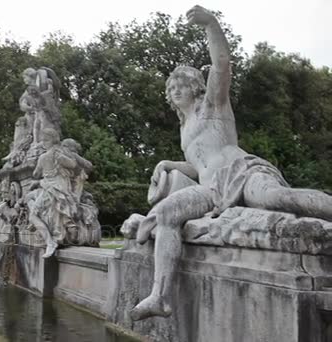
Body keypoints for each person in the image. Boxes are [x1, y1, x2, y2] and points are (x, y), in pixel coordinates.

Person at [129, 5, 332, 321]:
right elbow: (199, 167)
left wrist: (210, 23)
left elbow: (221, 63)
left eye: (179, 83)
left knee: (278, 199)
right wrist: (170, 163)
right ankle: (160, 297)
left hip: (241, 172)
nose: (173, 90)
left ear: (195, 85)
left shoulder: (212, 105)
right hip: (210, 189)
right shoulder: (185, 130)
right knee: (168, 213)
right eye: (169, 88)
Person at [29, 128, 79, 258]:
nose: (43, 142)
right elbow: (73, 164)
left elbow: (35, 173)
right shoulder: (58, 154)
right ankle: (52, 240)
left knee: (33, 216)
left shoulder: (44, 157)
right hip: (58, 190)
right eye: (43, 140)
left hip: (52, 190)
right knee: (50, 217)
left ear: (52, 140)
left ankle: (50, 242)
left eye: (46, 140)